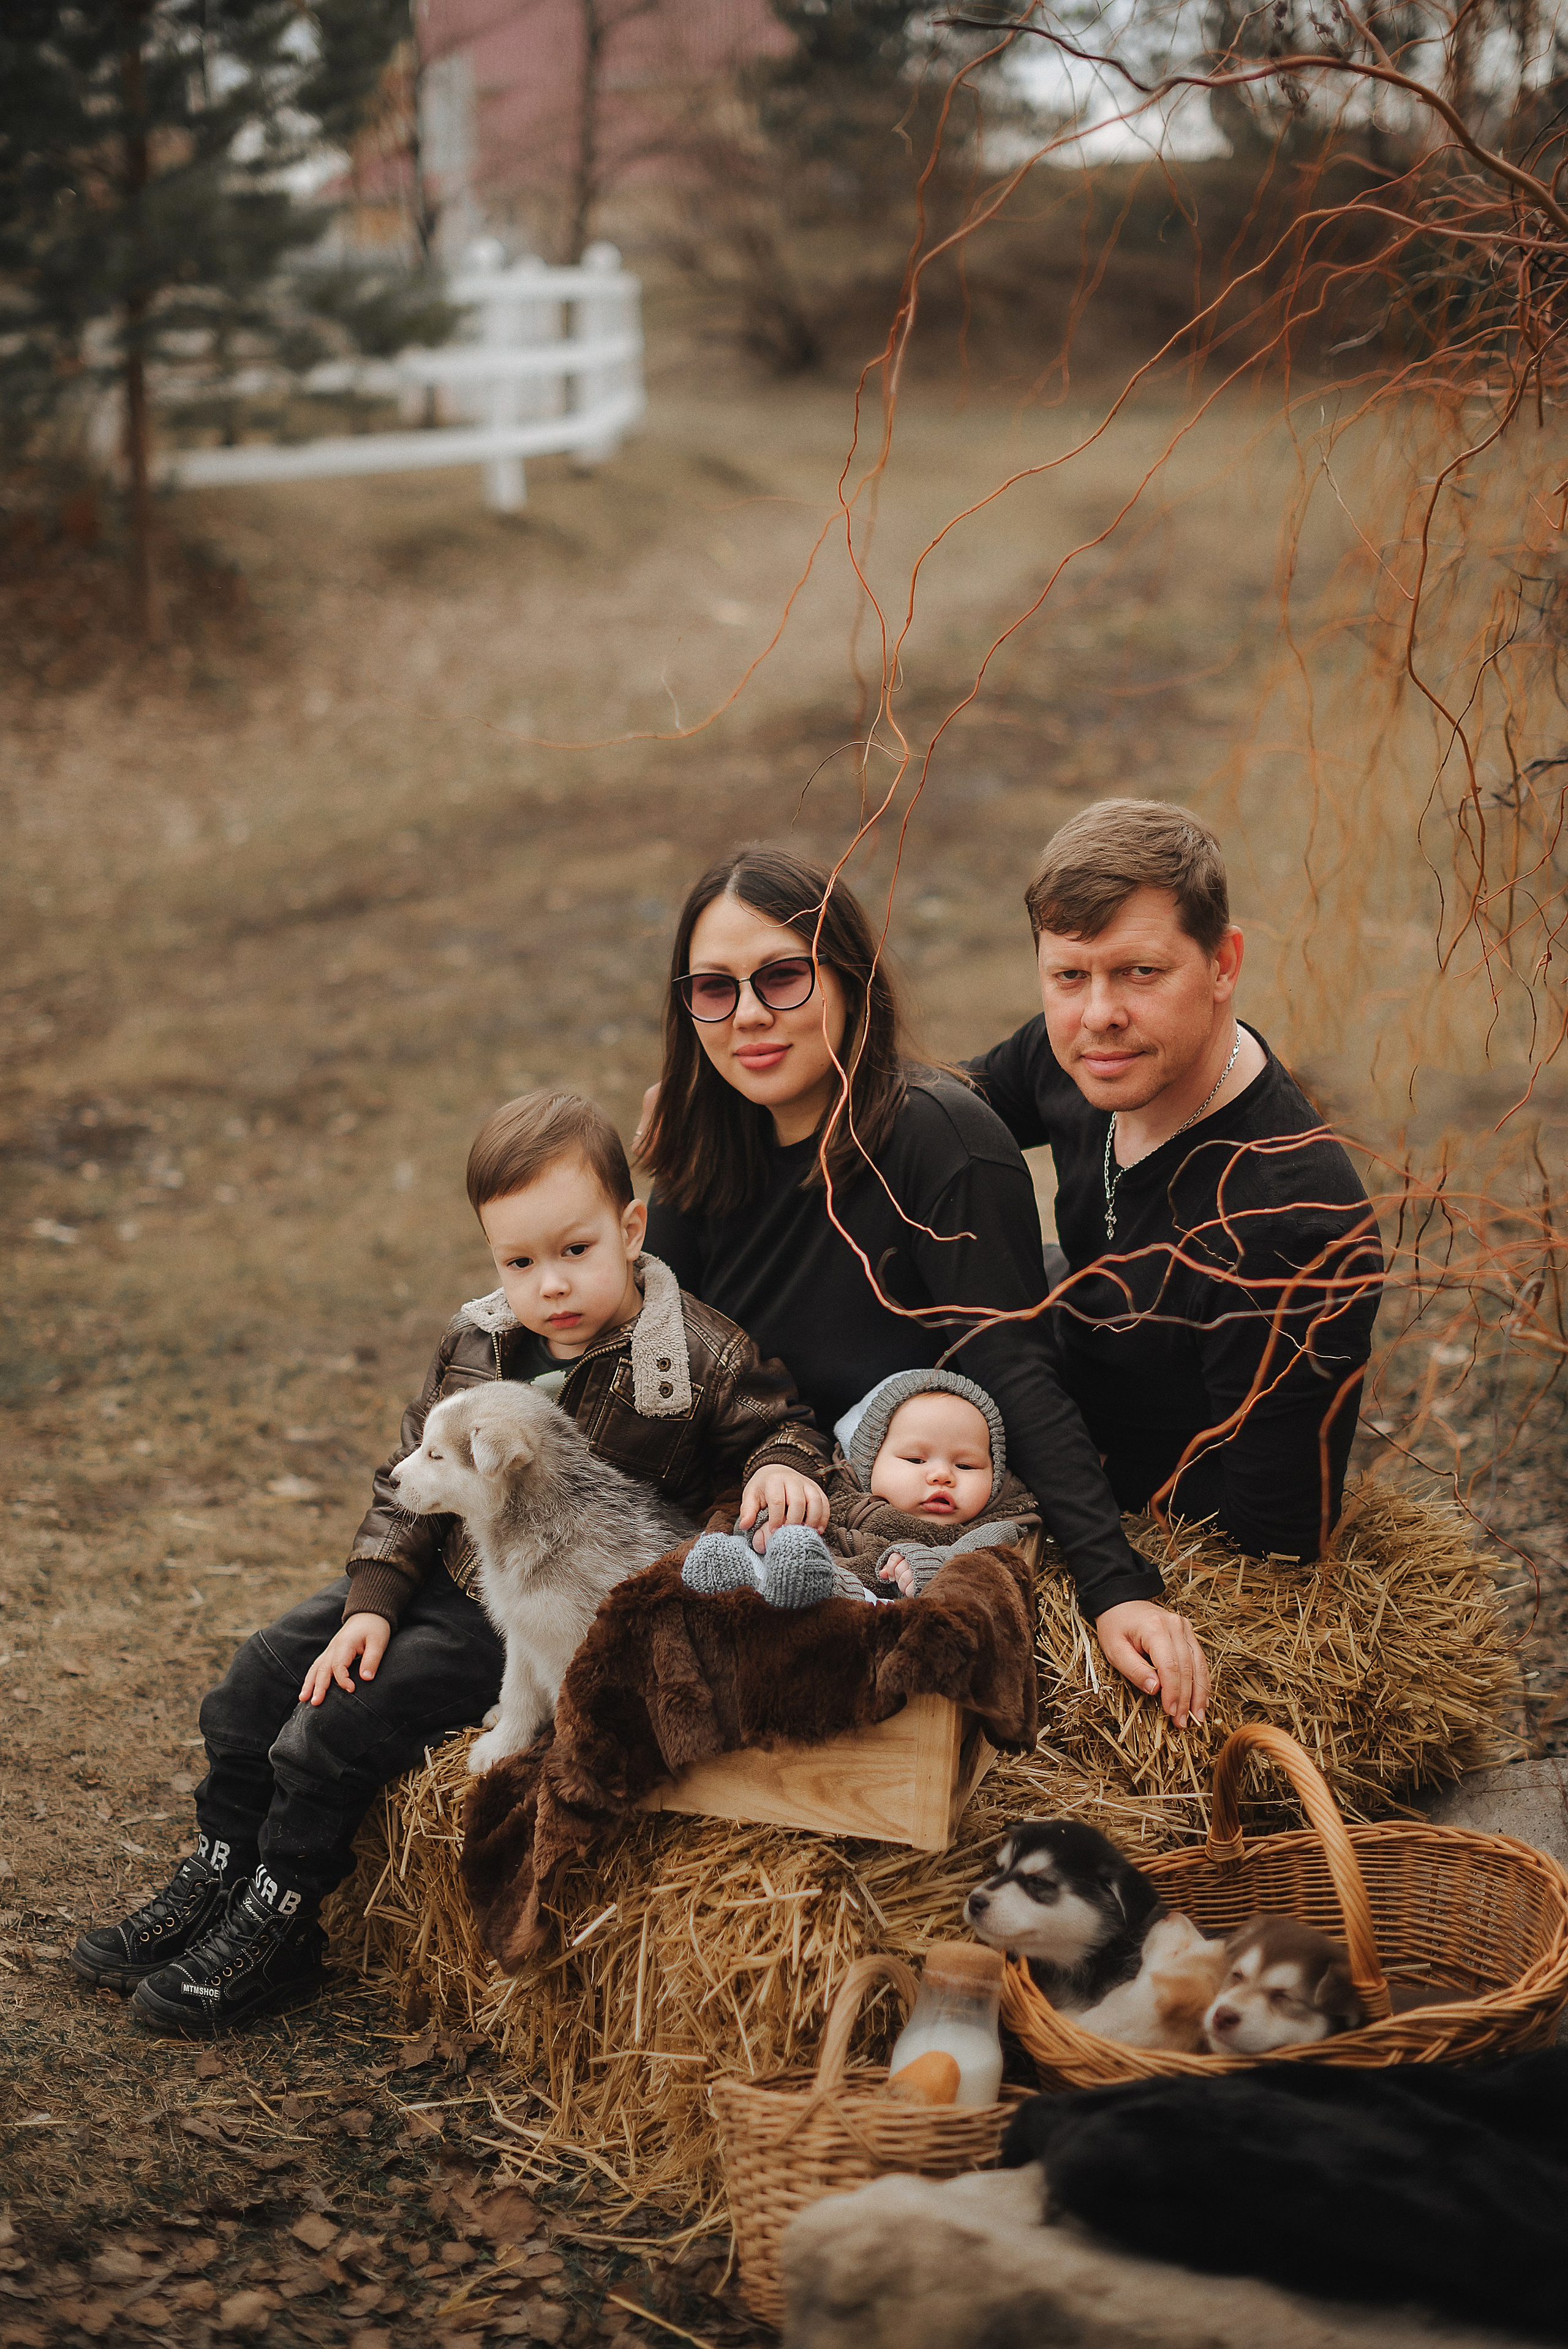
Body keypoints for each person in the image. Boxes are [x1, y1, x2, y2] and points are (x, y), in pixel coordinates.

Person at [72, 1089, 829, 2035]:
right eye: (519, 1260)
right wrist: (373, 1597)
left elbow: (778, 1425)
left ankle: (281, 1916)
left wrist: (782, 1468)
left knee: (337, 1728)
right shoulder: (478, 1340)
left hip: (531, 1611)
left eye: (575, 1250)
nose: (548, 1283)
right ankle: (221, 1868)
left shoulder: (701, 1355)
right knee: (256, 1681)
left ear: (631, 1227)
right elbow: (406, 1482)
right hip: (443, 1577)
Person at [639, 844, 1205, 1721]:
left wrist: (1116, 1585)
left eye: (783, 977)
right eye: (716, 988)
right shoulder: (696, 1161)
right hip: (762, 1512)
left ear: (850, 980)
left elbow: (1019, 1371)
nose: (749, 1014)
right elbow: (655, 1387)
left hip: (899, 1535)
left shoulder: (936, 1139)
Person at [967, 797, 1383, 1595]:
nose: (1098, 1015)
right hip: (1069, 1375)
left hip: (1146, 1508)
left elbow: (1273, 1536)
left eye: (1140, 971)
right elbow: (936, 1118)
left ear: (1224, 963)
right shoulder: (1085, 1054)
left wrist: (1068, 1490)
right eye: (1069, 975)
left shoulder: (1290, 1222)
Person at [680, 1365, 1041, 1605]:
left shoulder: (993, 1526)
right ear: (866, 1462)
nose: (942, 1476)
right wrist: (770, 1526)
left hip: (873, 1607)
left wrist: (935, 1564)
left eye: (966, 1465)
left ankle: (808, 1587)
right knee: (759, 1544)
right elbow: (797, 1509)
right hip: (799, 1574)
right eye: (916, 1460)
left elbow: (988, 1566)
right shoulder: (839, 1491)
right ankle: (736, 1574)